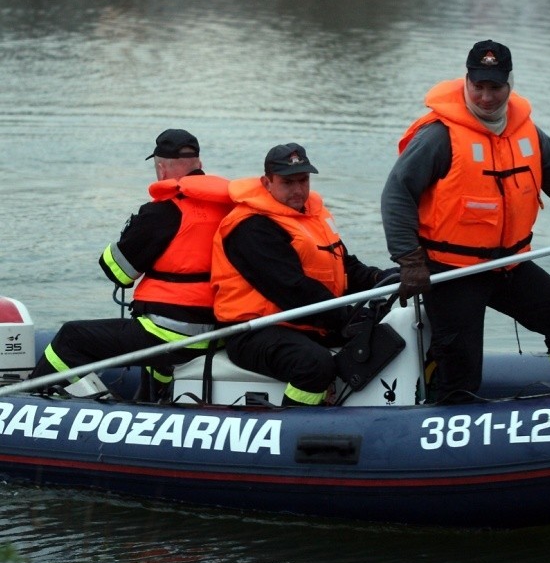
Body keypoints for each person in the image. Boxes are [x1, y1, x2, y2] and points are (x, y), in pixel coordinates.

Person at [381, 39, 550, 404]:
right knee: (462, 367)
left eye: (494, 87)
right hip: (452, 272)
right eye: (477, 86)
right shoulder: (438, 136)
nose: (485, 97)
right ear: (466, 81)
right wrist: (409, 259)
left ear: (509, 85)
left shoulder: (528, 134)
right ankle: (444, 423)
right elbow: (397, 194)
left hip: (506, 265)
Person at [30, 129, 232, 399]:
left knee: (72, 336)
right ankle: (152, 399)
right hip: (219, 331)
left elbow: (119, 271)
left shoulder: (163, 212)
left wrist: (133, 232)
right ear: (200, 164)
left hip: (172, 333)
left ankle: (27, 401)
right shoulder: (231, 207)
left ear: (160, 168)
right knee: (151, 348)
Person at [211, 142, 398, 406]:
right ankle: (292, 427)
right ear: (267, 183)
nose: (299, 190)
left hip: (305, 322)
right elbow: (291, 290)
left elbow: (345, 265)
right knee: (314, 365)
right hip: (254, 330)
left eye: (303, 180)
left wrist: (381, 279)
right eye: (288, 183)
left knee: (388, 333)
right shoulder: (251, 227)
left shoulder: (312, 216)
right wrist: (346, 318)